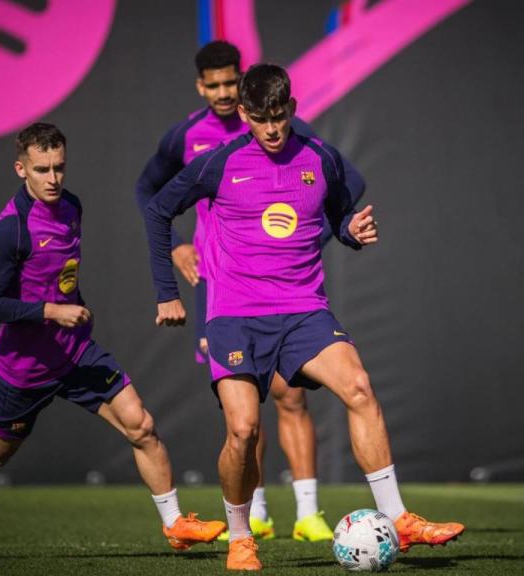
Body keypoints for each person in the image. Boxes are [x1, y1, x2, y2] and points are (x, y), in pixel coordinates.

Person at [144, 64, 464, 571]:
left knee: (359, 387)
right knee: (244, 430)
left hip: (302, 310)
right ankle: (241, 534)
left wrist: (350, 232)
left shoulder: (320, 157)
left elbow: (337, 216)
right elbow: (158, 208)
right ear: (244, 114)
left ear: (291, 108)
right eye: (261, 119)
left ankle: (398, 518)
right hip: (235, 314)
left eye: (279, 116)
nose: (272, 129)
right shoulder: (220, 162)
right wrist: (168, 290)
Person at [0, 123, 226, 552]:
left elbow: (59, 277)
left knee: (142, 426)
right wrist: (51, 311)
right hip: (25, 369)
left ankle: (175, 525)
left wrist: (72, 306)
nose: (54, 178)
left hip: (76, 354)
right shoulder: (11, 230)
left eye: (59, 167)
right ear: (21, 169)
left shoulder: (71, 206)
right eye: (43, 169)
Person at [135, 40, 365, 542]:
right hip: (223, 290)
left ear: (243, 81)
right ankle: (254, 512)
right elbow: (148, 192)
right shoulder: (190, 139)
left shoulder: (281, 129)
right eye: (212, 85)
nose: (220, 92)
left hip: (287, 291)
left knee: (291, 398)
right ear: (202, 88)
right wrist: (175, 248)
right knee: (245, 413)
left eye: (227, 81)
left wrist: (308, 240)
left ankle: (307, 512)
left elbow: (338, 194)